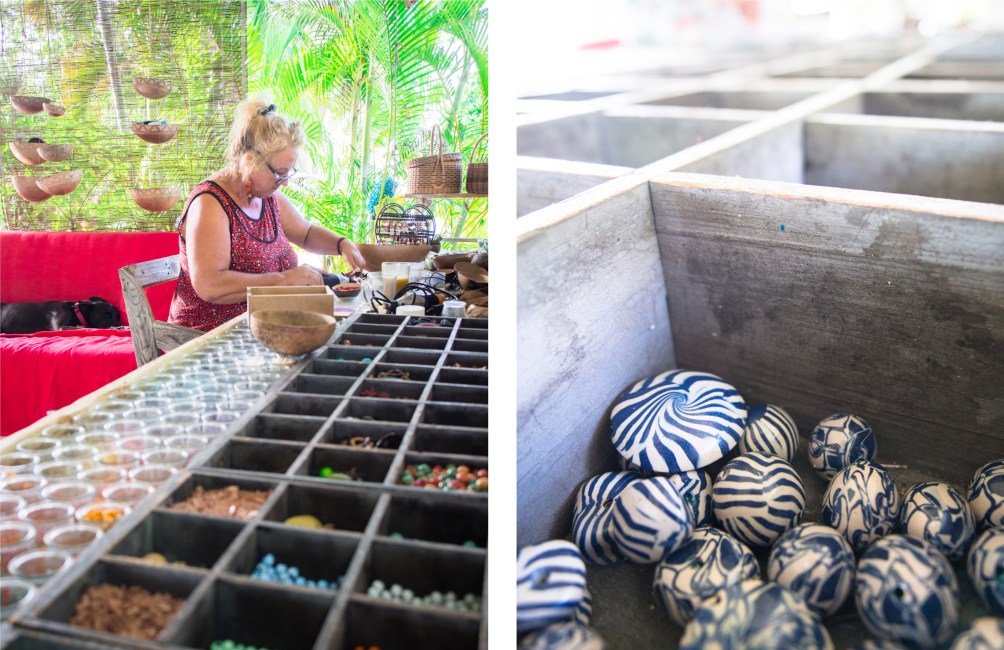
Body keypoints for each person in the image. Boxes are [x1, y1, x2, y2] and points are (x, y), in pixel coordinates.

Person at [168, 93, 366, 332]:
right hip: (211, 334)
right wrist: (285, 279)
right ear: (250, 161)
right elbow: (210, 286)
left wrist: (342, 244)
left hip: (263, 323)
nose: (285, 182)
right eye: (280, 173)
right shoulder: (210, 203)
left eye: (289, 172)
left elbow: (305, 233)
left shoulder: (267, 197)